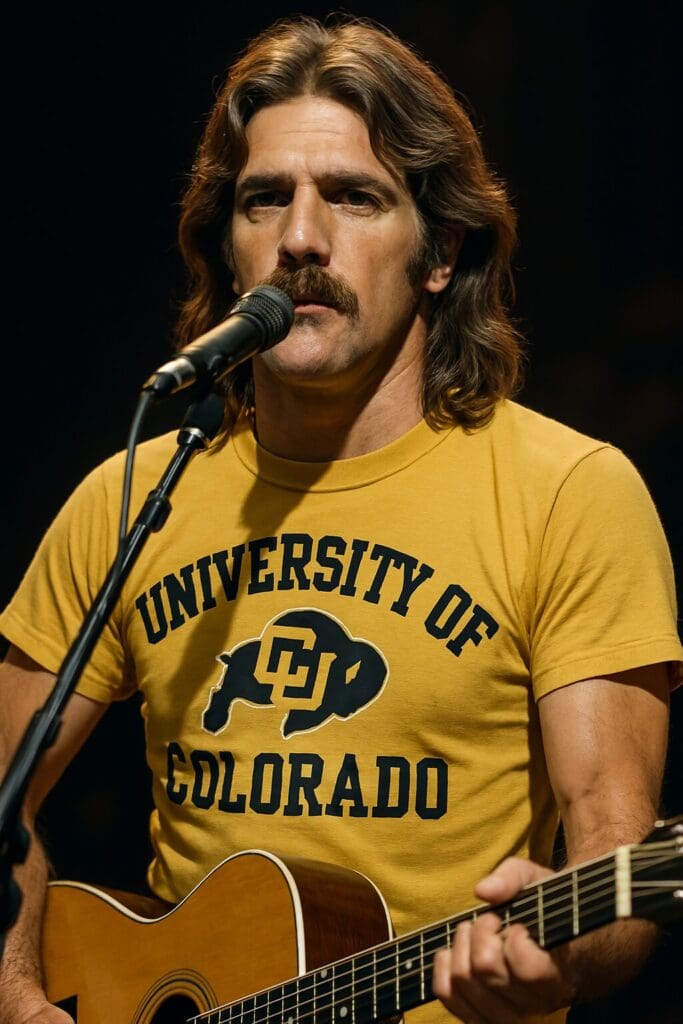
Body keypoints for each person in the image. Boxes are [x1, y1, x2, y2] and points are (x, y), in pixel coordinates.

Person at [0, 16, 680, 1024]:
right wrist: (18, 995)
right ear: (229, 247)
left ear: (441, 251)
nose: (300, 238)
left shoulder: (566, 493)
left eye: (354, 197)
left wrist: (566, 957)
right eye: (263, 198)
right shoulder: (135, 496)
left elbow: (615, 858)